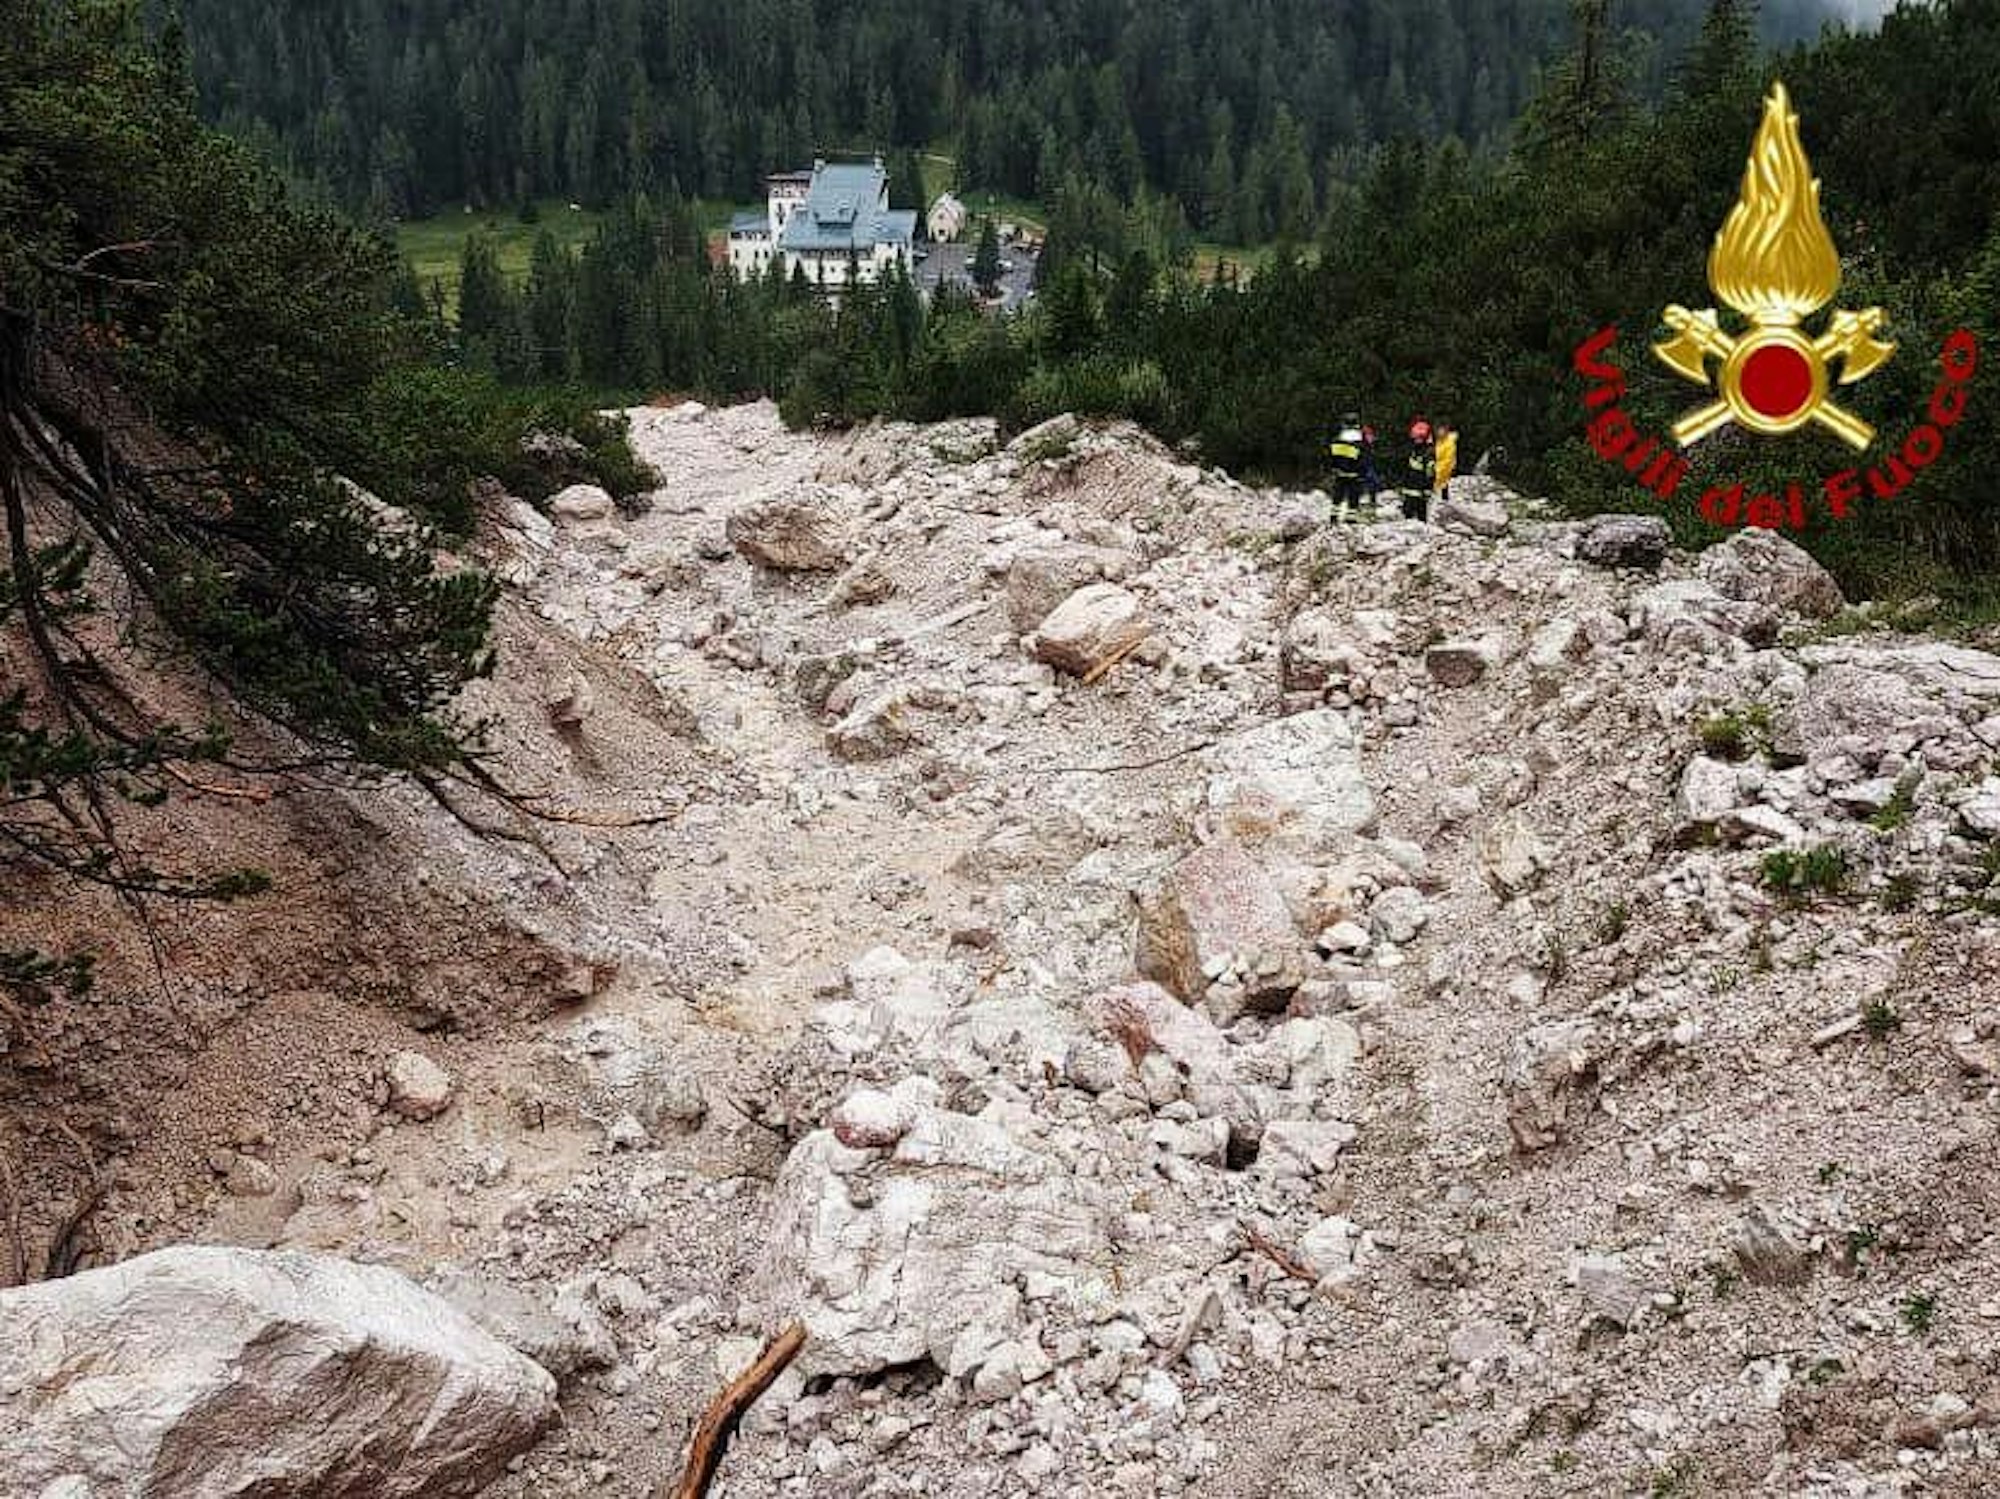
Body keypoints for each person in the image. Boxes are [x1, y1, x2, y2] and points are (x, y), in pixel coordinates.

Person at [1327, 413, 1367, 522]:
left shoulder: (1338, 438)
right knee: (1353, 498)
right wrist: (1363, 473)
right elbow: (1363, 458)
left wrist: (1333, 467)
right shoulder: (1359, 440)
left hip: (1340, 473)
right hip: (1355, 474)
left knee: (1337, 496)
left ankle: (1333, 518)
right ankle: (1351, 520)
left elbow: (1332, 456)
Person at [1405, 419, 1436, 520]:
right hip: (1411, 487)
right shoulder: (1415, 449)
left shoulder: (1428, 452)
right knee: (1408, 513)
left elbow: (1430, 471)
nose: (1416, 441)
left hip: (1421, 489)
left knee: (1421, 514)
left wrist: (1428, 488)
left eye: (1418, 438)